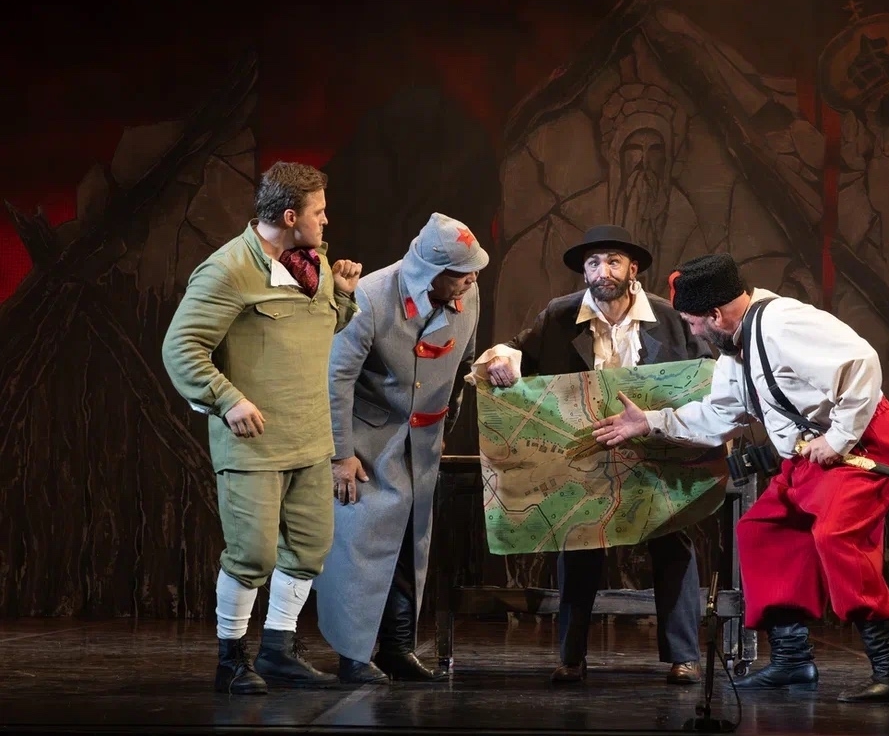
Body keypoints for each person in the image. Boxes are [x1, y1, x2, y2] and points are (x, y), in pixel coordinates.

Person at [591, 252, 889, 703]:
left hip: (864, 440)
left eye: (692, 322)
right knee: (762, 530)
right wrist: (650, 422)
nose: (692, 332)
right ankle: (792, 661)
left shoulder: (784, 323)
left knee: (836, 535)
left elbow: (861, 363)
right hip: (812, 451)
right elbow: (719, 415)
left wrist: (839, 437)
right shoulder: (735, 347)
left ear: (715, 314)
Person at [471, 224, 713, 686]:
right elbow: (516, 350)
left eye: (613, 261)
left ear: (632, 268)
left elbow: (705, 372)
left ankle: (684, 655)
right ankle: (571, 655)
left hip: (653, 449)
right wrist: (500, 361)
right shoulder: (561, 315)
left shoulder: (667, 318)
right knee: (579, 544)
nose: (604, 271)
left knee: (672, 541)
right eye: (594, 263)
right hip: (588, 451)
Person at [161, 161, 363, 695]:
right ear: (290, 216)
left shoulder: (314, 264)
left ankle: (278, 649)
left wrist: (342, 295)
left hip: (310, 439)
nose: (326, 220)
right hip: (254, 447)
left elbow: (318, 329)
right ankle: (231, 659)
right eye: (319, 211)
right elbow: (181, 348)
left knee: (310, 549)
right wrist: (227, 399)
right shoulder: (228, 270)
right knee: (252, 554)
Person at [313, 213, 488, 685]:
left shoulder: (468, 295)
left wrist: (445, 424)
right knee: (361, 547)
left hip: (422, 443)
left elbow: (463, 364)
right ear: (433, 271)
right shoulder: (371, 296)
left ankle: (397, 648)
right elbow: (336, 378)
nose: (472, 279)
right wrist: (340, 454)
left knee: (413, 544)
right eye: (462, 271)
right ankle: (353, 655)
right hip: (367, 442)